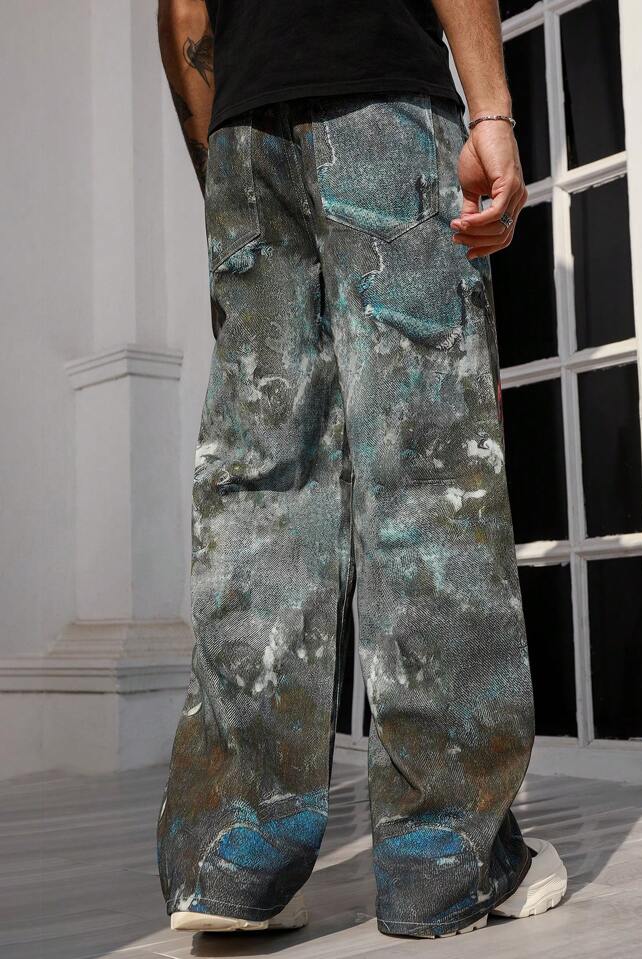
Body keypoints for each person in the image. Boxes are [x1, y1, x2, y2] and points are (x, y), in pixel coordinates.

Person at [155, 0, 567, 940]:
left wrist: (226, 168)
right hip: (381, 98)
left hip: (245, 135)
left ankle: (237, 855)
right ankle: (442, 856)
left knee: (260, 490)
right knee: (427, 473)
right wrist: (492, 111)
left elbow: (182, 11)